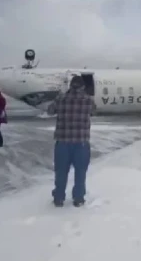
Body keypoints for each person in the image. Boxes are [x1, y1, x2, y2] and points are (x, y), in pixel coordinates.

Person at [50, 76, 96, 207]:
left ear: (70, 85)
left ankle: (59, 198)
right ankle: (79, 198)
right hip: (81, 142)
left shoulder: (61, 99)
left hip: (62, 142)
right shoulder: (88, 100)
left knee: (61, 172)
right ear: (82, 87)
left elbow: (50, 110)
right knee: (80, 172)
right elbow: (94, 112)